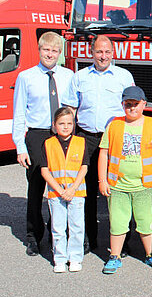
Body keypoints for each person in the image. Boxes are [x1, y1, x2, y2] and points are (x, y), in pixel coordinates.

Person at [63, 35, 135, 254]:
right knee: (86, 189)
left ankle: (122, 242)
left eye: (107, 52)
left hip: (115, 138)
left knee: (118, 190)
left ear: (113, 53)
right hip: (87, 138)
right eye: (98, 52)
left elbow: (133, 108)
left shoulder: (124, 76)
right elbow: (70, 110)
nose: (103, 56)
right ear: (91, 52)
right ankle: (88, 239)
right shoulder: (79, 77)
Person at [12, 31, 74, 256]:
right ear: (39, 50)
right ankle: (34, 236)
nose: (50, 54)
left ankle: (62, 233)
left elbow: (73, 108)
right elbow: (19, 114)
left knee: (63, 186)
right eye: (46, 50)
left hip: (62, 135)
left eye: (55, 50)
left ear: (60, 53)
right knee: (37, 187)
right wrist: (20, 146)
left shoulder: (68, 76)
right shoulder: (26, 77)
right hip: (37, 135)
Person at [97, 86, 152, 274]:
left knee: (146, 221)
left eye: (136, 104)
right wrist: (102, 180)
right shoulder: (114, 125)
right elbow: (104, 153)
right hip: (118, 185)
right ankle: (114, 256)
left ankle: (151, 254)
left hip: (145, 186)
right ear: (122, 105)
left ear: (144, 104)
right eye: (128, 104)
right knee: (118, 222)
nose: (132, 108)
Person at [40, 107, 89, 273]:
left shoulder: (81, 142)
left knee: (76, 226)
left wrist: (73, 188)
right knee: (58, 227)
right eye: (61, 123)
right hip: (56, 193)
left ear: (74, 125)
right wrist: (61, 191)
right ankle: (59, 259)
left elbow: (84, 167)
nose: (66, 127)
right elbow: (44, 170)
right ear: (54, 125)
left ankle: (75, 258)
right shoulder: (48, 144)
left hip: (77, 192)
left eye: (69, 123)